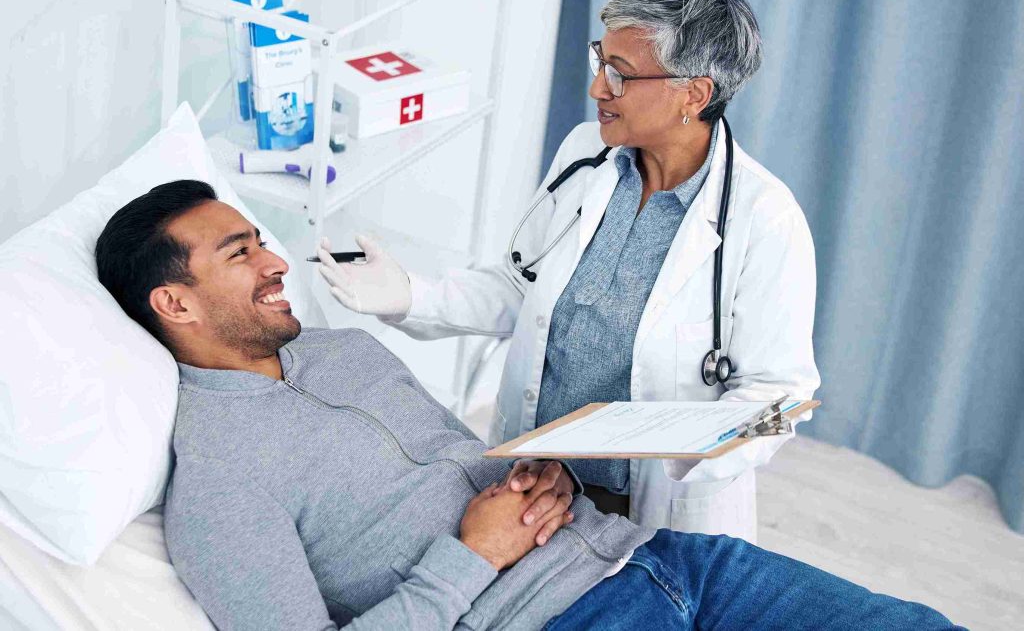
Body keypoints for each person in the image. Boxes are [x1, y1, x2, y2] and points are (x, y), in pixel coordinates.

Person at [93, 179, 960, 630]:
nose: (277, 262)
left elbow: (448, 464)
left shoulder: (342, 350)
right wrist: (471, 557)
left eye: (262, 240)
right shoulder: (217, 481)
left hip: (663, 558)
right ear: (176, 304)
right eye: (243, 253)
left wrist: (531, 471)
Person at [316, 0, 816, 541]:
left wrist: (684, 443)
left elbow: (781, 399)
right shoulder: (586, 156)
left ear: (695, 93)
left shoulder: (765, 220)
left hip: (653, 509)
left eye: (620, 75)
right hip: (530, 486)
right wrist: (412, 294)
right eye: (600, 60)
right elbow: (521, 289)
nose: (598, 88)